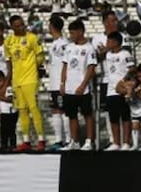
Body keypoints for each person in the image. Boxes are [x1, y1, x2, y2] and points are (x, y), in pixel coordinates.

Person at [4, 14, 46, 151]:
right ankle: (26, 141)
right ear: (12, 27)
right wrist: (9, 79)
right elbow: (8, 60)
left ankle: (41, 140)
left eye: (22, 24)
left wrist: (35, 66)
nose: (21, 27)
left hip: (30, 79)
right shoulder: (8, 41)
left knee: (33, 108)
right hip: (17, 80)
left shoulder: (32, 38)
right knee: (22, 110)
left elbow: (40, 56)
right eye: (18, 26)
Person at [92, 11, 131, 149]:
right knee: (110, 112)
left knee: (125, 113)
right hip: (105, 80)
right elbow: (94, 59)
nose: (115, 23)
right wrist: (101, 53)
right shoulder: (97, 38)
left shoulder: (123, 37)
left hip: (121, 83)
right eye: (112, 21)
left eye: (116, 20)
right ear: (105, 22)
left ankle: (126, 141)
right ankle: (113, 140)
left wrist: (107, 48)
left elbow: (125, 55)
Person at [60, 19, 98, 151]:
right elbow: (65, 66)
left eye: (73, 32)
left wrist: (83, 85)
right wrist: (62, 83)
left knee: (87, 114)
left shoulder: (89, 48)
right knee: (72, 115)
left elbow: (91, 69)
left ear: (81, 31)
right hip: (70, 87)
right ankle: (74, 141)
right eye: (70, 32)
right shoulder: (69, 48)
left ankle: (89, 141)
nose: (71, 35)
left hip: (83, 89)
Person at [104, 31, 135, 151]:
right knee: (113, 117)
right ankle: (116, 142)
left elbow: (132, 69)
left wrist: (123, 81)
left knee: (125, 116)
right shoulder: (108, 54)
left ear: (116, 42)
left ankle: (126, 142)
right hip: (110, 90)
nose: (107, 43)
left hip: (122, 90)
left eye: (109, 41)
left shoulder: (125, 54)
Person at [47, 16, 71, 151]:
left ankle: (68, 140)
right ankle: (58, 140)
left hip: (61, 83)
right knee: (56, 110)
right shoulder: (54, 43)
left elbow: (66, 64)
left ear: (52, 26)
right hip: (53, 82)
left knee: (64, 111)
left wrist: (63, 82)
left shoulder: (64, 44)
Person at [0, 71, 18, 152]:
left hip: (11, 112)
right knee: (3, 130)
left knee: (11, 129)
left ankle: (13, 145)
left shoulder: (9, 88)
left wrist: (2, 98)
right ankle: (4, 145)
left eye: (0, 81)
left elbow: (11, 99)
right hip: (3, 113)